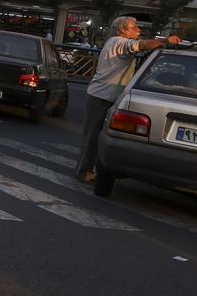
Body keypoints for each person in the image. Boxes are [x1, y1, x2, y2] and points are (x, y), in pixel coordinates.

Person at [75, 17, 180, 182]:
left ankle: (88, 169)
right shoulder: (119, 42)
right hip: (101, 96)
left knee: (96, 136)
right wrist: (165, 40)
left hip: (106, 95)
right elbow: (141, 45)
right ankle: (83, 172)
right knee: (92, 137)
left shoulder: (117, 43)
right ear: (123, 30)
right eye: (134, 27)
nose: (138, 30)